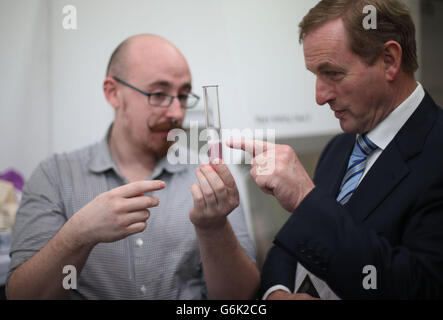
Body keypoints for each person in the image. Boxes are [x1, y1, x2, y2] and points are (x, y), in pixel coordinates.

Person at [6, 34, 259, 299]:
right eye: (159, 94)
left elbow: (239, 299)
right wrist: (77, 235)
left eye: (183, 96)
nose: (176, 112)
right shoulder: (54, 177)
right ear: (113, 93)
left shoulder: (211, 181)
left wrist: (214, 228)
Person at [229, 0, 443, 299]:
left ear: (390, 60)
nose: (319, 96)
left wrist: (306, 198)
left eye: (333, 73)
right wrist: (277, 292)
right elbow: (293, 241)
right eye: (314, 74)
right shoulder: (339, 148)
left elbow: (419, 286)